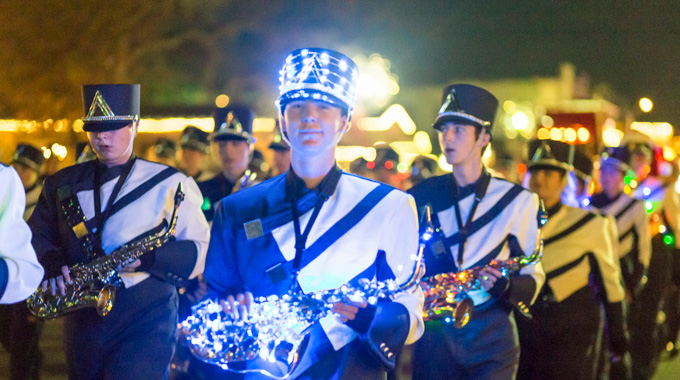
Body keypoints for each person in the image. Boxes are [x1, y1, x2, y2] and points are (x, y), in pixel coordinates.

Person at [203, 47, 424, 379]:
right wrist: (229, 311)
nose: (309, 116)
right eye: (297, 106)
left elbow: (412, 308)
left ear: (345, 120)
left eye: (323, 106)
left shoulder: (388, 206)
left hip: (349, 368)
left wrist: (372, 319)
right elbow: (216, 297)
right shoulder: (237, 208)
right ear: (282, 120)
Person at [28, 84, 210, 380]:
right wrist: (50, 264)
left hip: (146, 315)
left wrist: (149, 260)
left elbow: (200, 247)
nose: (102, 137)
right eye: (95, 128)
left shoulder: (171, 182)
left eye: (113, 127)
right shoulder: (60, 184)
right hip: (82, 317)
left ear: (135, 126)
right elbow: (38, 235)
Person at [408, 84, 545, 380]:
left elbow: (534, 275)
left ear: (484, 137)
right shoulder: (419, 196)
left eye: (458, 129)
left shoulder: (518, 201)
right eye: (443, 129)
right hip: (434, 338)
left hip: (491, 335)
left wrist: (506, 288)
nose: (447, 138)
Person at [516, 139, 628, 380]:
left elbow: (610, 284)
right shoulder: (514, 222)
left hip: (571, 329)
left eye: (549, 172)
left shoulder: (591, 223)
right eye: (535, 171)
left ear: (563, 178)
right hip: (524, 330)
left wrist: (618, 338)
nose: (540, 179)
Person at [622, 132, 680, 379]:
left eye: (642, 152)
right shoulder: (616, 182)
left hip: (656, 252)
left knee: (648, 310)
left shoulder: (659, 186)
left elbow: (675, 224)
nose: (637, 158)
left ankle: (644, 363)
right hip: (625, 255)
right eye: (632, 152)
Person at [0, 144, 47, 380]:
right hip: (6, 278)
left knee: (23, 344)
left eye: (28, 169)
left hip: (30, 281)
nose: (21, 172)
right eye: (18, 166)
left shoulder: (44, 200)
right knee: (9, 337)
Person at [197, 105, 257, 223]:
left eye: (235, 144)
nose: (228, 151)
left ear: (249, 148)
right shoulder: (201, 190)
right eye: (222, 145)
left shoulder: (262, 190)